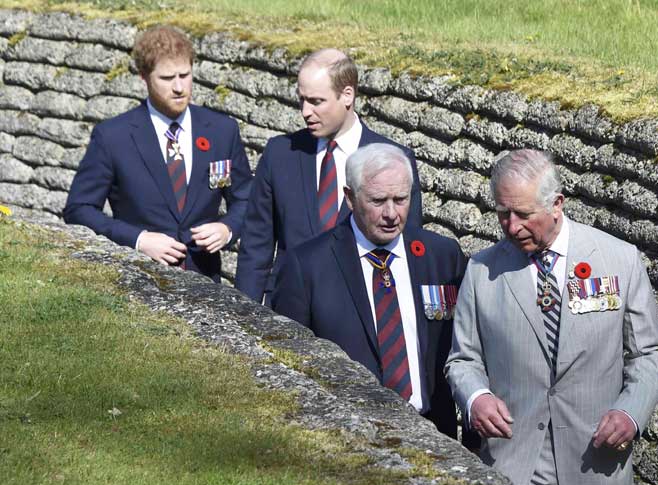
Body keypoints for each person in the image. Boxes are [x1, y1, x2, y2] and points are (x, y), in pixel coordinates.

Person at [445, 149, 658, 485]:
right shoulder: (481, 271)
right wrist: (476, 397)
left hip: (594, 467)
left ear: (557, 204)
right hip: (513, 466)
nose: (511, 227)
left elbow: (649, 353)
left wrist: (630, 413)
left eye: (524, 214)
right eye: (502, 213)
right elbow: (463, 359)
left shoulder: (618, 260)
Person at [271, 143, 462, 439]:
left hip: (434, 433)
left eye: (400, 199)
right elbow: (288, 363)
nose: (391, 213)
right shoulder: (307, 265)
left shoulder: (441, 256)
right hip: (346, 438)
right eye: (377, 201)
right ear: (350, 198)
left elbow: (467, 349)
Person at [235, 48, 423, 304]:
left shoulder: (395, 160)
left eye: (316, 101)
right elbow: (256, 246)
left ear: (347, 95)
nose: (305, 112)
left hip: (360, 313)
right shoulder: (280, 154)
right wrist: (245, 316)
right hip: (287, 311)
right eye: (301, 100)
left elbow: (406, 247)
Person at [64, 26, 251, 281]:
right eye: (166, 78)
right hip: (136, 282)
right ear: (144, 77)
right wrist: (138, 240)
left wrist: (227, 228)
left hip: (206, 282)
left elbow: (246, 199)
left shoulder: (222, 130)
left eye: (185, 75)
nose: (178, 87)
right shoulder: (113, 137)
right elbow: (79, 209)